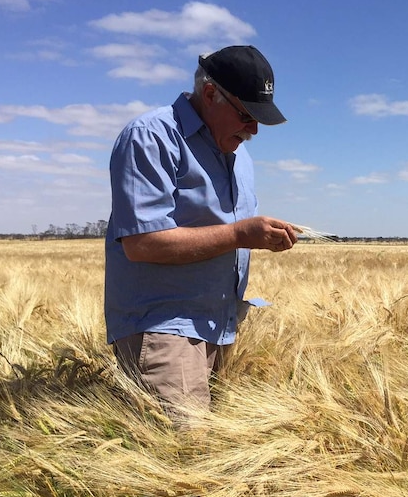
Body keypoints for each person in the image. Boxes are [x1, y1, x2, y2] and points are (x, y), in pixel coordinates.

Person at [104, 45, 298, 422]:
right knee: (181, 460)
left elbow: (231, 232)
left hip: (221, 327)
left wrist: (262, 237)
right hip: (164, 330)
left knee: (205, 456)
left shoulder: (242, 158)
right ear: (210, 95)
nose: (254, 129)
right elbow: (142, 243)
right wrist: (241, 235)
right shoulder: (151, 137)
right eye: (246, 115)